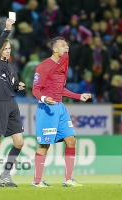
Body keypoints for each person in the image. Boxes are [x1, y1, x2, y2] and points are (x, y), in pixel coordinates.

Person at [32, 36, 91, 187]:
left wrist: (79, 96)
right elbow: (35, 90)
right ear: (54, 49)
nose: (66, 47)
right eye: (62, 45)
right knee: (44, 145)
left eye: (67, 45)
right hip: (47, 109)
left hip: (60, 108)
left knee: (71, 140)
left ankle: (68, 179)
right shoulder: (43, 66)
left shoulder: (63, 65)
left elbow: (60, 89)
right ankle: (37, 181)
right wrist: (44, 98)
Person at [0, 18, 25, 187]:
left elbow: (10, 84)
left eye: (9, 49)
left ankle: (5, 175)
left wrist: (17, 86)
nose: (8, 51)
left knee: (19, 142)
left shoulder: (11, 67)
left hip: (12, 104)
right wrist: (7, 30)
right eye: (5, 48)